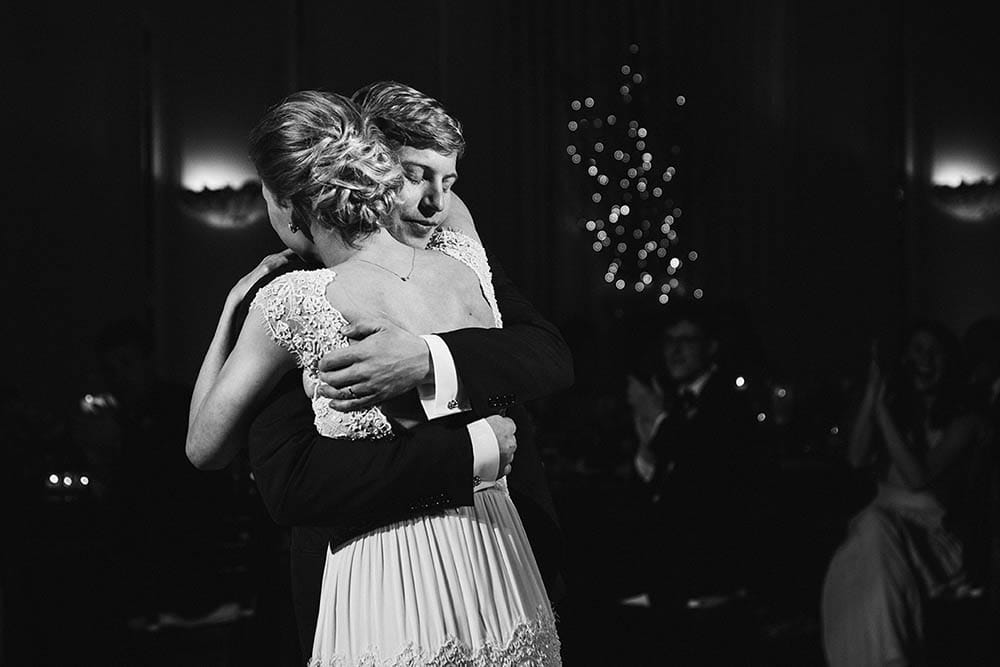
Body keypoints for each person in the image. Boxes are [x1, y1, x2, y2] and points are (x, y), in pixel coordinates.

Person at [187, 91, 561, 664]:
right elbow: (295, 481)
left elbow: (203, 448)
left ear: (287, 205)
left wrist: (233, 309)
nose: (437, 202)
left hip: (386, 573)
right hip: (491, 554)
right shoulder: (464, 261)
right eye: (416, 177)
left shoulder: (290, 300)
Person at [821, 320, 991, 666]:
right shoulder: (898, 411)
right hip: (878, 533)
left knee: (873, 529)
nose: (925, 360)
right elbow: (856, 457)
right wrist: (873, 393)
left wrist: (883, 414)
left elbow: (918, 477)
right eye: (917, 350)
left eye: (935, 352)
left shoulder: (965, 421)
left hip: (930, 537)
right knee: (866, 548)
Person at [626, 301, 762, 615]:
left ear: (711, 347)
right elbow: (653, 492)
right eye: (670, 341)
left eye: (686, 341)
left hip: (712, 574)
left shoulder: (728, 403)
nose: (675, 351)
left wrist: (659, 421)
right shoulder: (672, 400)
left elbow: (704, 472)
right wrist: (647, 451)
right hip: (668, 573)